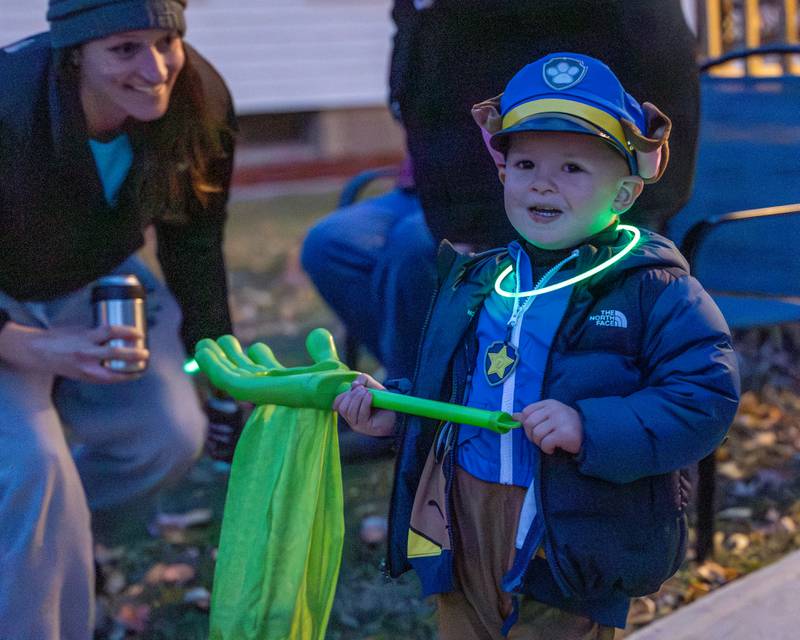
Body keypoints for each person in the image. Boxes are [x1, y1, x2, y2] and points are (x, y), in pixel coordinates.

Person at [334, 53, 740, 639]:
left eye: (573, 167)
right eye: (524, 163)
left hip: (569, 529)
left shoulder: (655, 288)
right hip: (461, 518)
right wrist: (396, 411)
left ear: (625, 191)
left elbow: (706, 396)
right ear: (502, 176)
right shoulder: (479, 280)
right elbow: (455, 388)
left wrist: (590, 427)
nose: (542, 182)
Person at [302, 0, 700, 408]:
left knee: (415, 251)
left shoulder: (573, 33)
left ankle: (432, 409)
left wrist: (468, 218)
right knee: (332, 244)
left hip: (510, 192)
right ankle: (430, 390)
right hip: (438, 180)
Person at [0, 1, 237, 637]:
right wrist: (27, 346)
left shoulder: (201, 100)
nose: (156, 68)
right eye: (125, 48)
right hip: (5, 308)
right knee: (32, 468)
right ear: (75, 49)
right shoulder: (8, 105)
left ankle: (60, 542)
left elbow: (194, 243)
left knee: (166, 434)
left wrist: (215, 356)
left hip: (100, 281)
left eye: (167, 41)